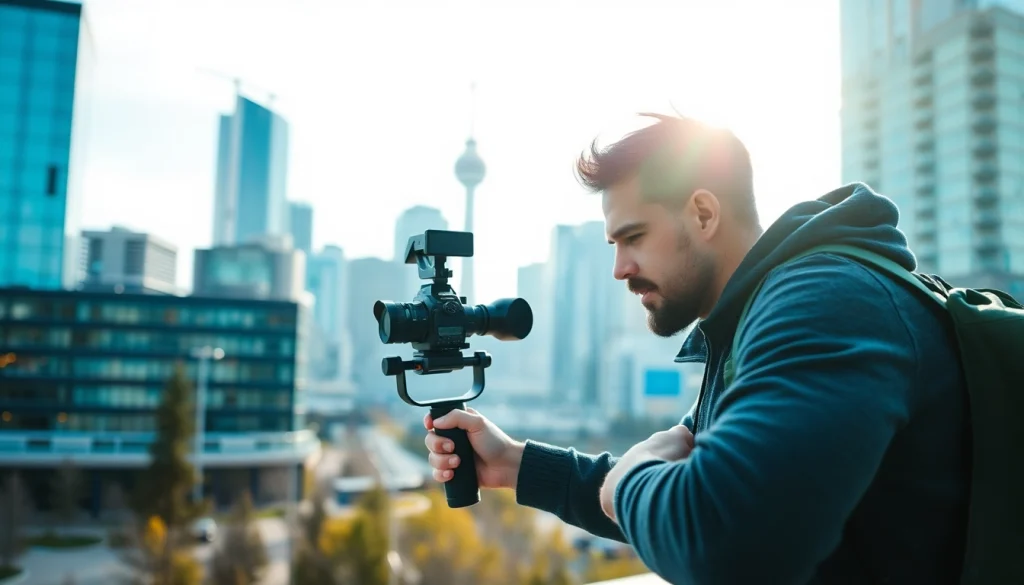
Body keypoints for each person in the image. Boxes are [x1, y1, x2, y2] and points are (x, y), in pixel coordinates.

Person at [422, 113, 970, 584]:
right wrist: (516, 464)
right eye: (613, 245)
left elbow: (725, 543)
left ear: (704, 214)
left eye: (633, 237)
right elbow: (684, 495)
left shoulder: (824, 304)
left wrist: (630, 481)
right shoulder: (756, 319)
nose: (620, 269)